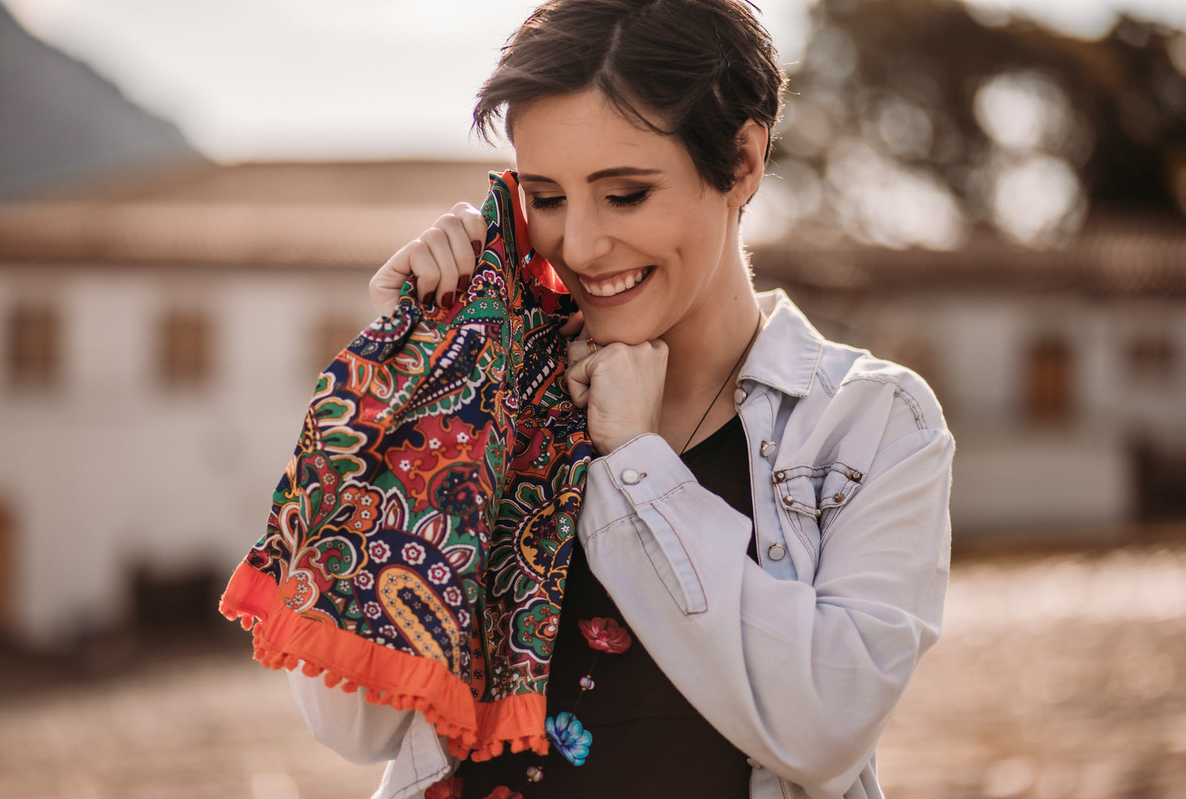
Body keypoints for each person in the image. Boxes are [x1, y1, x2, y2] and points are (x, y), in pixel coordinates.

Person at [286, 1, 954, 798]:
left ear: (743, 161)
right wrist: (425, 384)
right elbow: (351, 724)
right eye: (548, 197)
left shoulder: (870, 421)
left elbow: (823, 724)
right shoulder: (501, 399)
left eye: (626, 194)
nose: (580, 245)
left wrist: (638, 464)